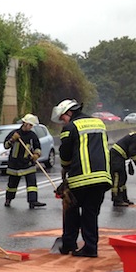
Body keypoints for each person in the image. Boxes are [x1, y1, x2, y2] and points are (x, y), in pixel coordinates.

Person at [51, 98, 112, 257]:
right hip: (102, 177)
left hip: (81, 178)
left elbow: (64, 155)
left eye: (62, 117)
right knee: (90, 213)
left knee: (70, 209)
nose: (62, 121)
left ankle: (68, 244)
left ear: (69, 112)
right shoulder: (99, 123)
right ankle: (91, 247)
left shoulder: (70, 128)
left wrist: (65, 170)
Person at [3, 113, 46, 209]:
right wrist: (12, 140)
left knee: (32, 184)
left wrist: (36, 154)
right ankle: (8, 199)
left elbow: (37, 147)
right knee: (12, 185)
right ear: (24, 123)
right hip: (14, 164)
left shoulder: (32, 135)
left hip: (28, 163)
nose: (30, 127)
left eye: (32, 125)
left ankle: (33, 201)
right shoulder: (15, 133)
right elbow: (6, 146)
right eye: (29, 125)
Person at [109, 131, 136, 206]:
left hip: (120, 157)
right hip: (115, 157)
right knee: (117, 178)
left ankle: (124, 198)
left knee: (123, 178)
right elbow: (133, 152)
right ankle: (117, 199)